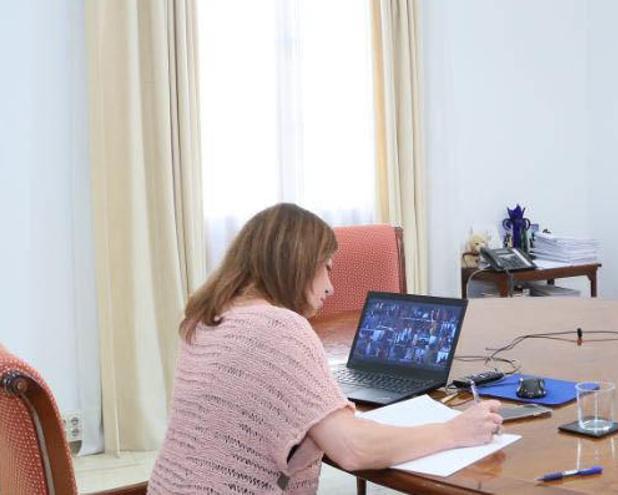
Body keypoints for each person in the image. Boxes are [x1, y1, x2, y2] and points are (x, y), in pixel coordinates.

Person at [147, 203, 503, 494]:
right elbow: (353, 449)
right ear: (296, 265)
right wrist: (454, 431)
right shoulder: (280, 327)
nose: (331, 287)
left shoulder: (208, 317)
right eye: (326, 269)